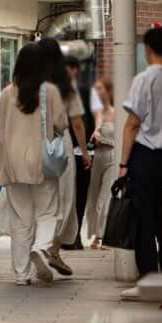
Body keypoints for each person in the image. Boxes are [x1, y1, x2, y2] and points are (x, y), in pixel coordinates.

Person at [0, 42, 68, 285]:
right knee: (48, 211)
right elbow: (61, 125)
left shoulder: (6, 93)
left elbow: (0, 131)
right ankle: (42, 245)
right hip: (41, 162)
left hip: (13, 162)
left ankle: (21, 274)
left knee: (20, 220)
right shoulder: (50, 92)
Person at [119, 27, 162, 288]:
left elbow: (132, 124)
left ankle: (149, 276)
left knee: (143, 218)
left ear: (149, 50)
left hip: (143, 156)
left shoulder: (144, 80)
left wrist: (123, 164)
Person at [37, 38, 90, 277]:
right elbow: (77, 122)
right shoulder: (64, 84)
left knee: (37, 198)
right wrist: (85, 152)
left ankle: (38, 247)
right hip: (62, 143)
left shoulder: (30, 82)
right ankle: (52, 248)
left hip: (35, 142)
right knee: (65, 198)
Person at [64, 56, 93, 250]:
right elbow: (82, 122)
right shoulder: (71, 90)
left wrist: (86, 149)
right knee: (73, 195)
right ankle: (71, 237)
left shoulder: (82, 91)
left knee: (75, 195)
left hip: (69, 148)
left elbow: (85, 120)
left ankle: (73, 237)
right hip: (71, 149)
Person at [83, 77, 115, 247]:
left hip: (112, 159)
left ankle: (101, 236)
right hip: (98, 158)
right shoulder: (97, 113)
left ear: (108, 90)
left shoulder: (117, 113)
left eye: (100, 88)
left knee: (105, 197)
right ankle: (95, 233)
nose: (97, 92)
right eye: (96, 89)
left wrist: (106, 142)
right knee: (94, 197)